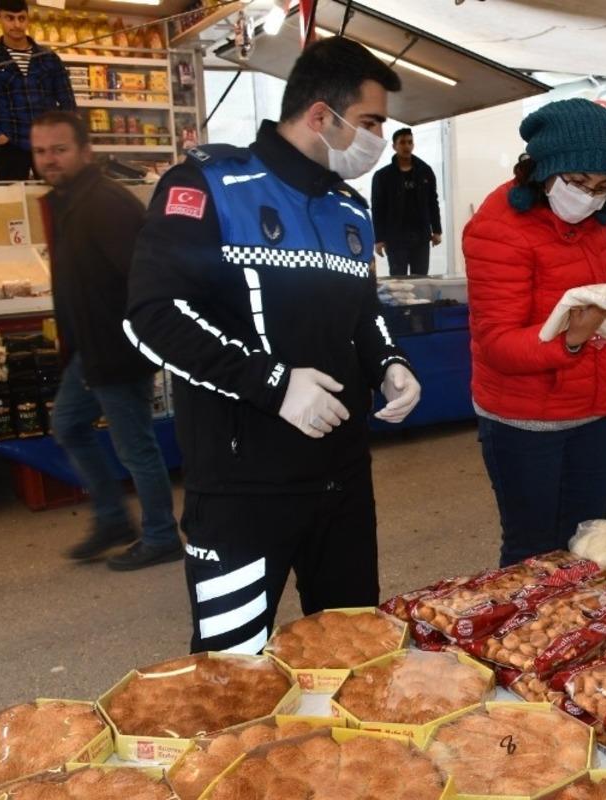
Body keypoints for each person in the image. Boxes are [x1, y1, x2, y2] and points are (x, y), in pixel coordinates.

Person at [124, 37, 421, 654]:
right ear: (321, 116)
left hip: (342, 481)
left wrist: (390, 361)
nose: (376, 139)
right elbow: (153, 315)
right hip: (241, 492)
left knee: (351, 662)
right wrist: (275, 384)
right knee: (232, 680)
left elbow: (363, 312)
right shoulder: (209, 185)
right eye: (369, 123)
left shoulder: (351, 208)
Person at [463, 98, 606, 567]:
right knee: (532, 552)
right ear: (542, 170)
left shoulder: (599, 222)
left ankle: (575, 638)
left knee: (586, 545)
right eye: (577, 183)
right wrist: (571, 340)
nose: (589, 197)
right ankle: (522, 640)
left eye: (602, 187)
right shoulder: (499, 228)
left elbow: (602, 300)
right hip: (525, 420)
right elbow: (496, 342)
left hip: (593, 410)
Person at [32, 112, 181, 570]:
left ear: (85, 151)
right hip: (90, 352)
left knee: (134, 445)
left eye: (59, 149)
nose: (49, 160)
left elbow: (145, 277)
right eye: (41, 151)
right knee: (70, 426)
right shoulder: (70, 202)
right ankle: (112, 518)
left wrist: (137, 342)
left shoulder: (105, 204)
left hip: (118, 349)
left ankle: (160, 534)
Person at [0, 0, 75, 180]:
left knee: (57, 199)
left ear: (27, 18)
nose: (17, 24)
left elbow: (67, 100)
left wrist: (65, 136)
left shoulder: (49, 57)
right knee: (9, 203)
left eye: (21, 18)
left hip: (48, 146)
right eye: (10, 18)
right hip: (9, 146)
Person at [371, 127, 443, 276]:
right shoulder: (383, 176)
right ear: (394, 146)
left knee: (421, 278)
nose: (407, 146)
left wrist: (436, 230)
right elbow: (377, 209)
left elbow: (432, 202)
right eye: (402, 142)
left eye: (410, 142)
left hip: (421, 235)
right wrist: (379, 239)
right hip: (395, 237)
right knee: (399, 281)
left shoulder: (425, 171)